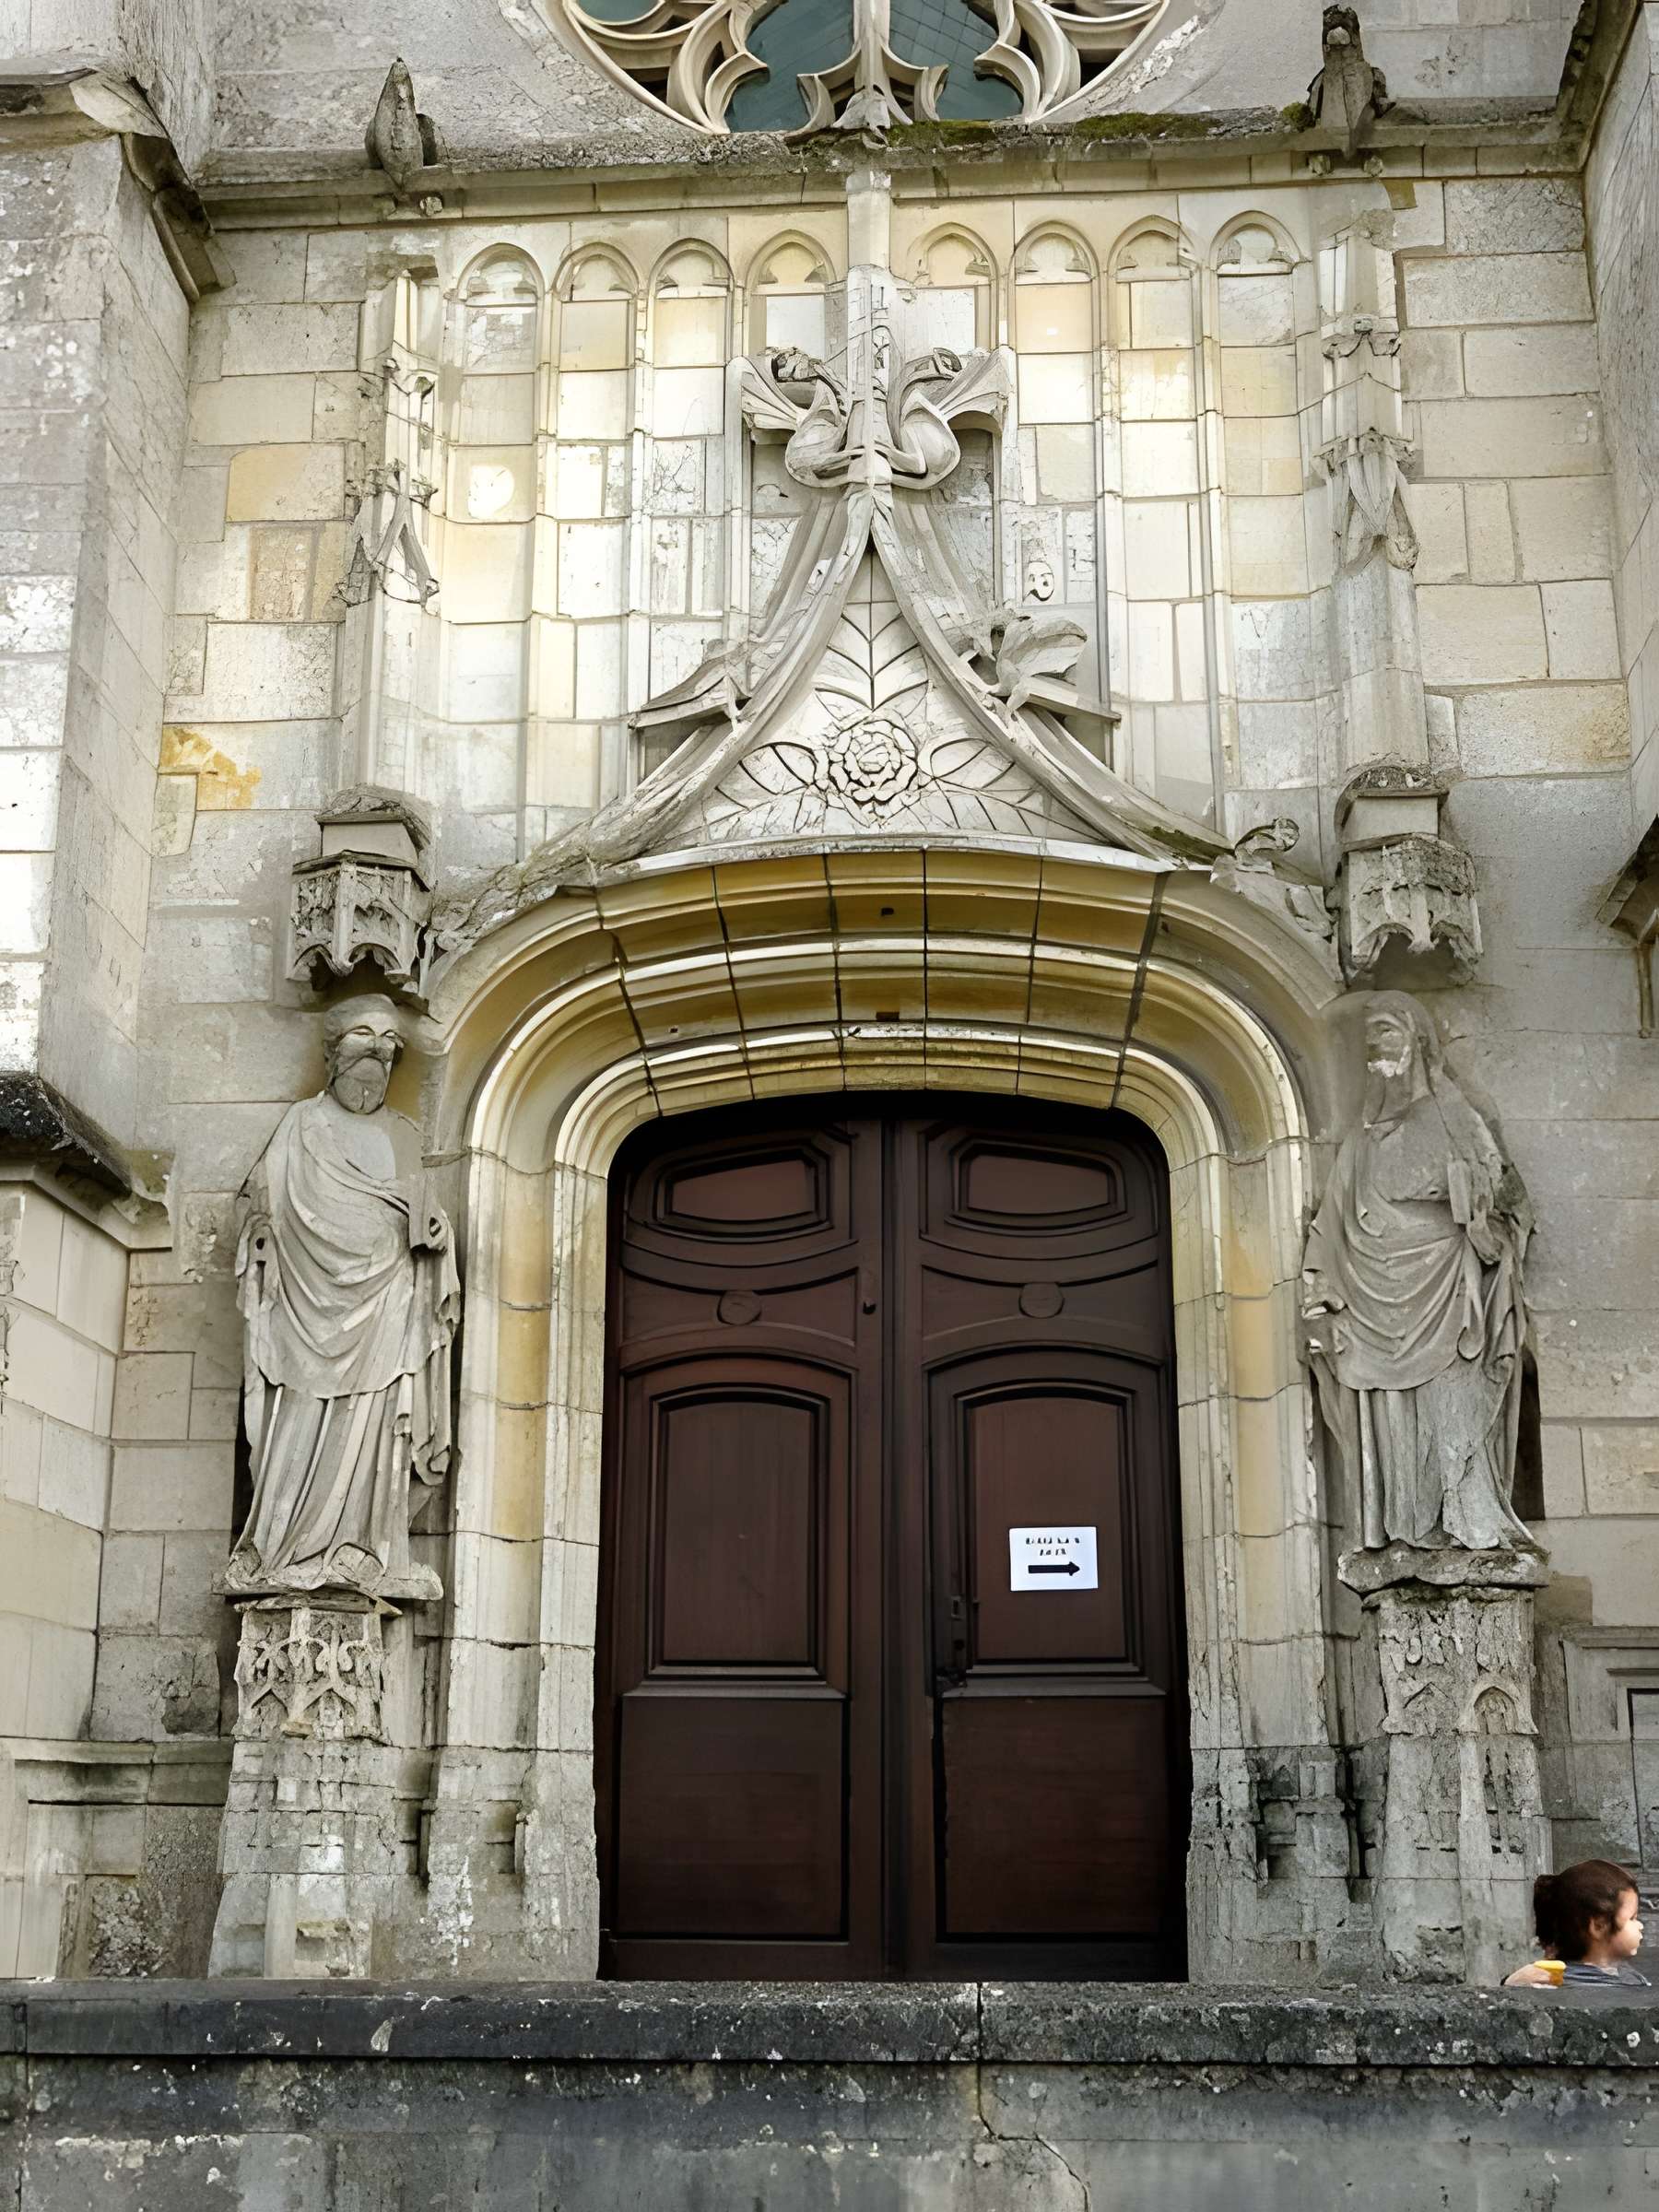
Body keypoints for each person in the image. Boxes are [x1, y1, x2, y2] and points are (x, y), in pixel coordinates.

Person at [1503, 1860, 1650, 1989]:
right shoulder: (1562, 1985)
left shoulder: (1625, 1976)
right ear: (1598, 1926)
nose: (1640, 1926)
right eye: (1632, 1918)